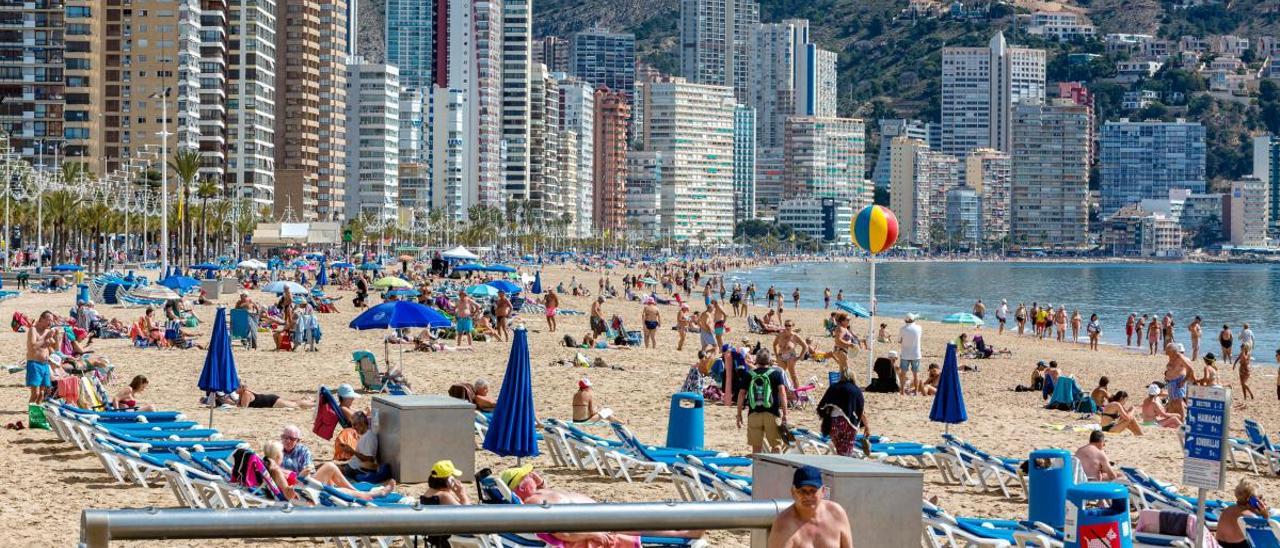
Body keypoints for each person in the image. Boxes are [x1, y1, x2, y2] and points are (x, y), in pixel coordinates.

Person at [503, 465, 704, 545]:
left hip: (596, 516)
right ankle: (683, 533)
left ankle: (683, 529)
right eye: (527, 475)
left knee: (638, 520)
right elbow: (562, 533)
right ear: (520, 487)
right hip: (591, 526)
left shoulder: (538, 494)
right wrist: (592, 534)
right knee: (637, 527)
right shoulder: (533, 503)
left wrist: (542, 484)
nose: (533, 474)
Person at [260, 440, 395, 503]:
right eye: (282, 453)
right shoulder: (276, 472)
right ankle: (371, 493)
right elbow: (289, 493)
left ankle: (364, 493)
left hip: (303, 488)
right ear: (278, 457)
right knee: (330, 466)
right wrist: (301, 477)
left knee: (330, 476)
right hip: (302, 494)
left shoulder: (273, 469)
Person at [766, 466, 853, 548]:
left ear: (823, 491)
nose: (807, 496)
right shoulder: (784, 524)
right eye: (802, 491)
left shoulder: (836, 513)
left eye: (813, 491)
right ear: (793, 492)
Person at [737, 350, 789, 453]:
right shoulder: (776, 374)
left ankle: (758, 468)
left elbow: (741, 394)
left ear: (756, 360)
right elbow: (783, 394)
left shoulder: (749, 374)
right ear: (769, 360)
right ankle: (775, 468)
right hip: (772, 413)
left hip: (754, 414)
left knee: (756, 448)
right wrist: (785, 413)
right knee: (776, 446)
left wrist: (739, 414)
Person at [817, 365, 869, 457]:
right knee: (845, 454)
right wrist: (866, 426)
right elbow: (860, 410)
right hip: (849, 424)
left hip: (833, 423)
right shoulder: (856, 390)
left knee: (839, 451)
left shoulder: (833, 387)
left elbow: (822, 406)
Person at [25, 311, 57, 405]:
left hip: (45, 364)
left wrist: (55, 339)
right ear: (41, 319)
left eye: (51, 321)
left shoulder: (48, 331)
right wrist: (45, 338)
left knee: (42, 394)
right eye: (48, 320)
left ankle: (37, 413)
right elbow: (33, 346)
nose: (50, 323)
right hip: (34, 364)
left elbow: (52, 348)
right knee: (35, 393)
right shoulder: (33, 330)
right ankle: (31, 411)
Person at [773, 320, 809, 388]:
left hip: (791, 357)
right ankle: (782, 391)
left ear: (792, 326)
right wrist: (776, 355)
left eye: (789, 325)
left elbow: (805, 346)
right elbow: (774, 344)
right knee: (780, 374)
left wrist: (800, 357)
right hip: (781, 357)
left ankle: (797, 392)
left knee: (793, 375)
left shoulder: (795, 336)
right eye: (786, 325)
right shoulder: (780, 334)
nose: (787, 327)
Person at [235, 383, 314, 409]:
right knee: (293, 401)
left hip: (272, 402)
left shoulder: (246, 394)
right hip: (271, 399)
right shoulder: (243, 393)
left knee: (295, 405)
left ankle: (314, 404)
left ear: (242, 388)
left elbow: (243, 408)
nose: (234, 389)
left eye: (236, 387)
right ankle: (309, 400)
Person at [898, 314, 923, 396]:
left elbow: (899, 340)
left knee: (903, 374)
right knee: (916, 374)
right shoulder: (919, 328)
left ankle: (902, 391)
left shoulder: (902, 329)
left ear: (905, 320)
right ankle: (916, 391)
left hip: (905, 354)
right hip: (916, 354)